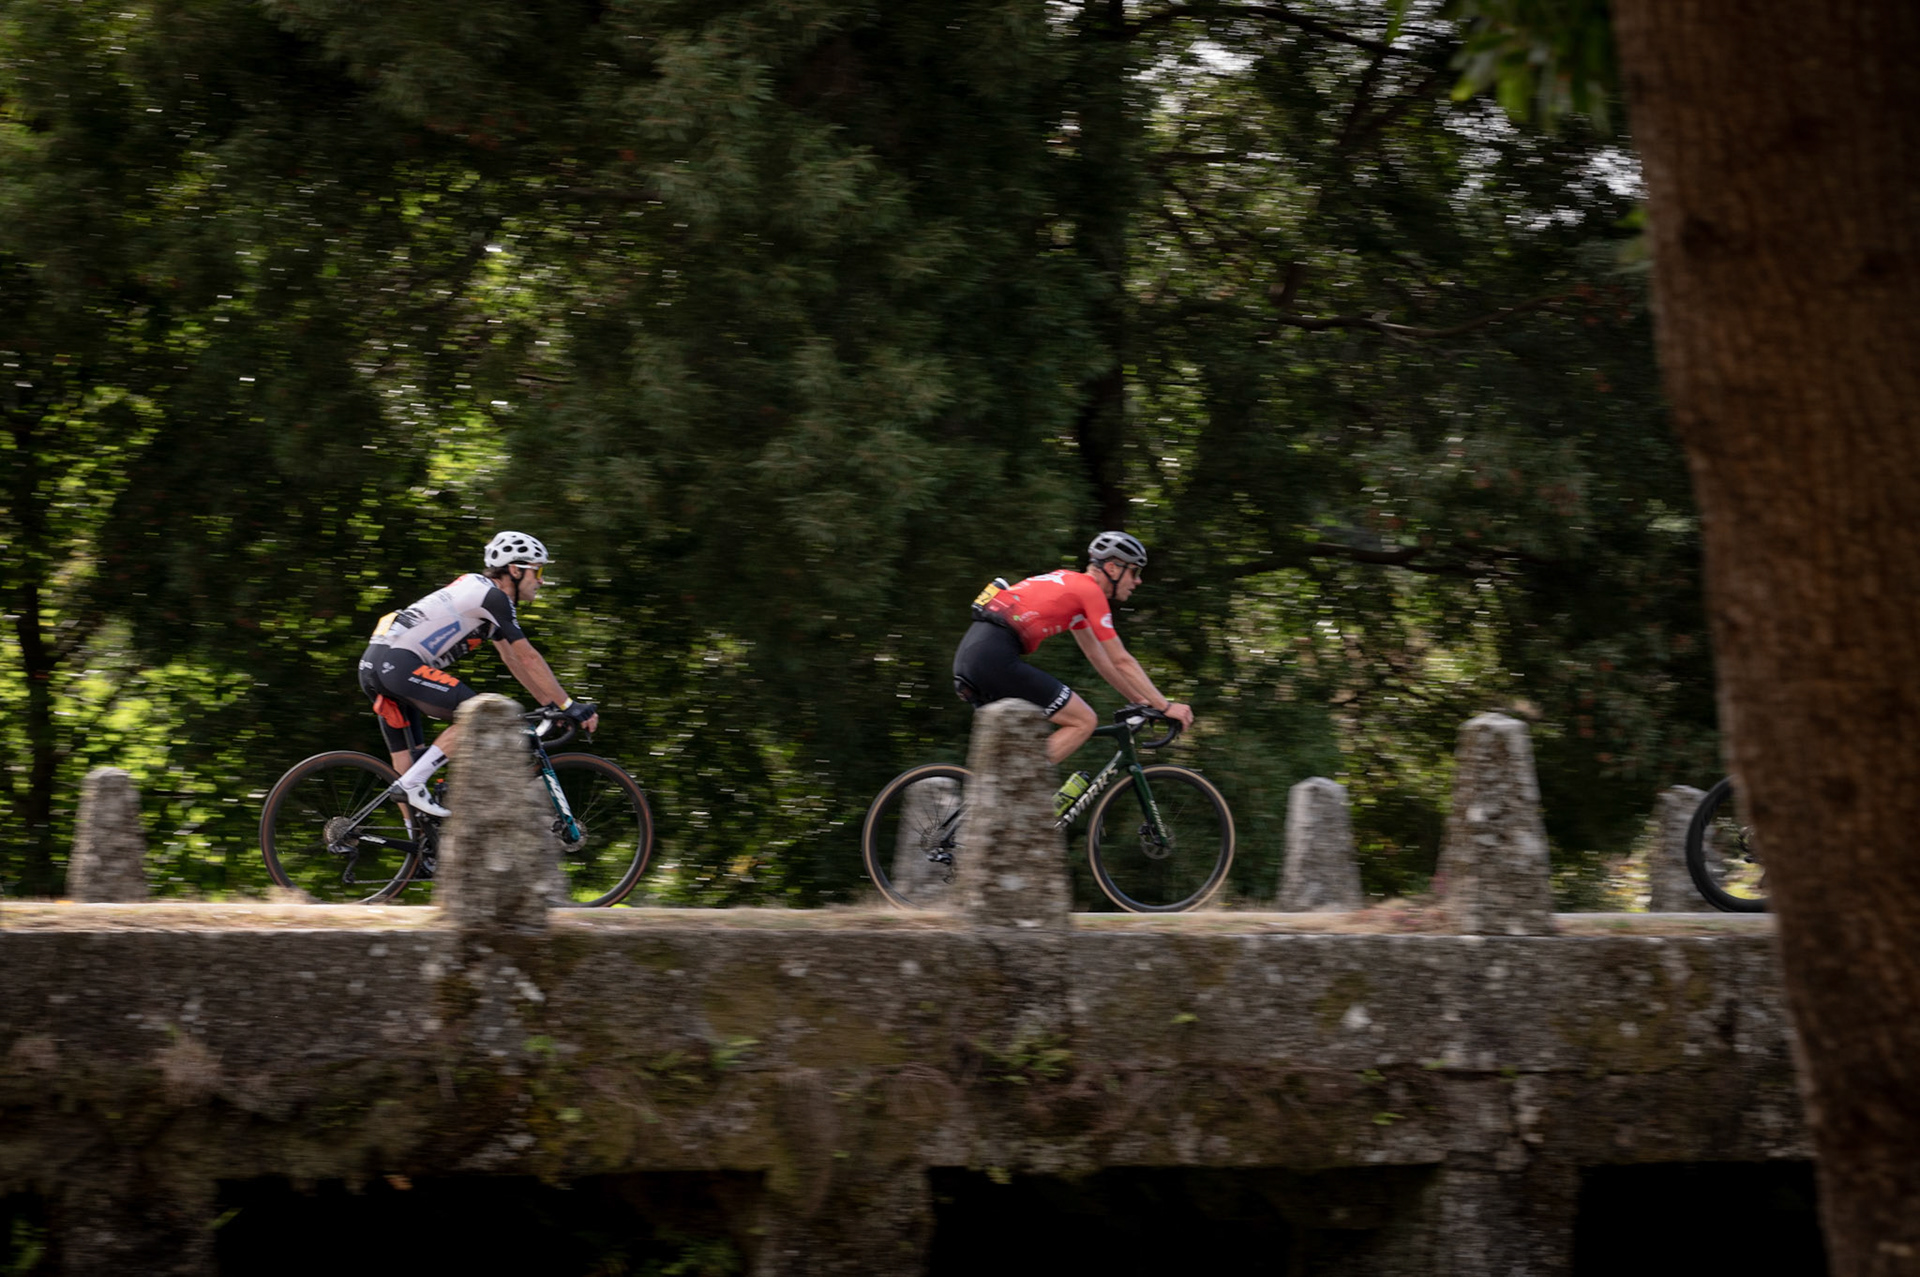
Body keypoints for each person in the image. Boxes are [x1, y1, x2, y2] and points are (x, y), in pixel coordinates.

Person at [357, 531, 598, 816]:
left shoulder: (482, 593)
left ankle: (416, 848)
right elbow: (528, 657)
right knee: (480, 717)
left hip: (376, 664)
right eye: (538, 571)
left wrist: (549, 704)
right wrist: (568, 705)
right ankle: (412, 784)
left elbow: (514, 662)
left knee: (408, 758)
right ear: (515, 570)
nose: (542, 580)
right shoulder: (493, 597)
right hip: (397, 663)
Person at [953, 531, 1195, 773]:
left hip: (975, 655)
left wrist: (1140, 700)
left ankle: (998, 795)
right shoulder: (1090, 592)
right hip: (994, 657)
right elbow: (1121, 660)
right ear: (1112, 568)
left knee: (1019, 748)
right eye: (1135, 571)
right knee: (1083, 721)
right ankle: (1016, 790)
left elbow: (1097, 656)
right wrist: (1164, 706)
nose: (1138, 581)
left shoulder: (1072, 586)